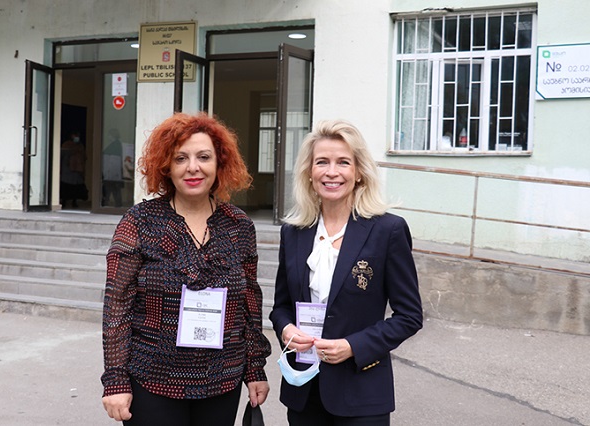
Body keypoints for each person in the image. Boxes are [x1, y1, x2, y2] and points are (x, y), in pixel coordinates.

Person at [101, 112, 272, 425]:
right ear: (166, 166)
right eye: (181, 158)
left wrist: (255, 369)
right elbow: (117, 306)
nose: (193, 167)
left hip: (223, 379)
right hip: (153, 380)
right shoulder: (139, 222)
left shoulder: (239, 226)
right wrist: (115, 381)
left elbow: (250, 302)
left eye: (203, 157)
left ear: (220, 163)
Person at [269, 119, 423, 425]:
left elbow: (409, 316)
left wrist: (353, 346)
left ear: (359, 173)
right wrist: (286, 330)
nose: (331, 172)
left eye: (343, 162)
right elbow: (281, 308)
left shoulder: (387, 230)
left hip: (361, 392)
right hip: (304, 390)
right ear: (309, 173)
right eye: (322, 162)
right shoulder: (294, 232)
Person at [60, 130, 87, 208]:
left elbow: (84, 156)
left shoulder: (80, 145)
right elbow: (62, 155)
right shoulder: (66, 144)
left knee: (75, 187)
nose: (77, 138)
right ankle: (64, 201)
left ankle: (74, 202)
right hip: (67, 169)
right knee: (66, 187)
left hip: (77, 170)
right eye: (75, 136)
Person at [102, 128, 125, 207]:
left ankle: (107, 204)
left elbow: (113, 159)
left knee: (111, 189)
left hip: (112, 172)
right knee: (113, 189)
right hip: (113, 172)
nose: (108, 136)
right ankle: (114, 204)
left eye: (109, 135)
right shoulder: (116, 144)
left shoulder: (115, 145)